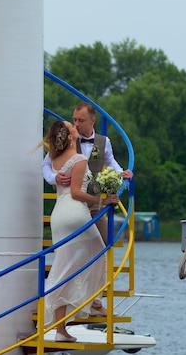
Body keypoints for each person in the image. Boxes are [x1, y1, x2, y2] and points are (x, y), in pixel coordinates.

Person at [42, 120, 119, 342]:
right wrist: (102, 200)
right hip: (75, 213)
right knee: (98, 253)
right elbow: (76, 193)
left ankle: (61, 329)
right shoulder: (78, 159)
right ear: (69, 137)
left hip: (58, 214)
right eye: (71, 126)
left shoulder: (55, 159)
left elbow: (60, 186)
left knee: (64, 266)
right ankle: (89, 301)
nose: (76, 127)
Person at [42, 102, 133, 242]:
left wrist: (121, 172)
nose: (77, 124)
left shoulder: (103, 141)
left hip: (94, 202)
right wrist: (54, 178)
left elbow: (110, 161)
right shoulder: (67, 139)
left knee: (105, 240)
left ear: (93, 120)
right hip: (73, 202)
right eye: (75, 120)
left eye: (81, 120)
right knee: (75, 243)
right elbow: (46, 164)